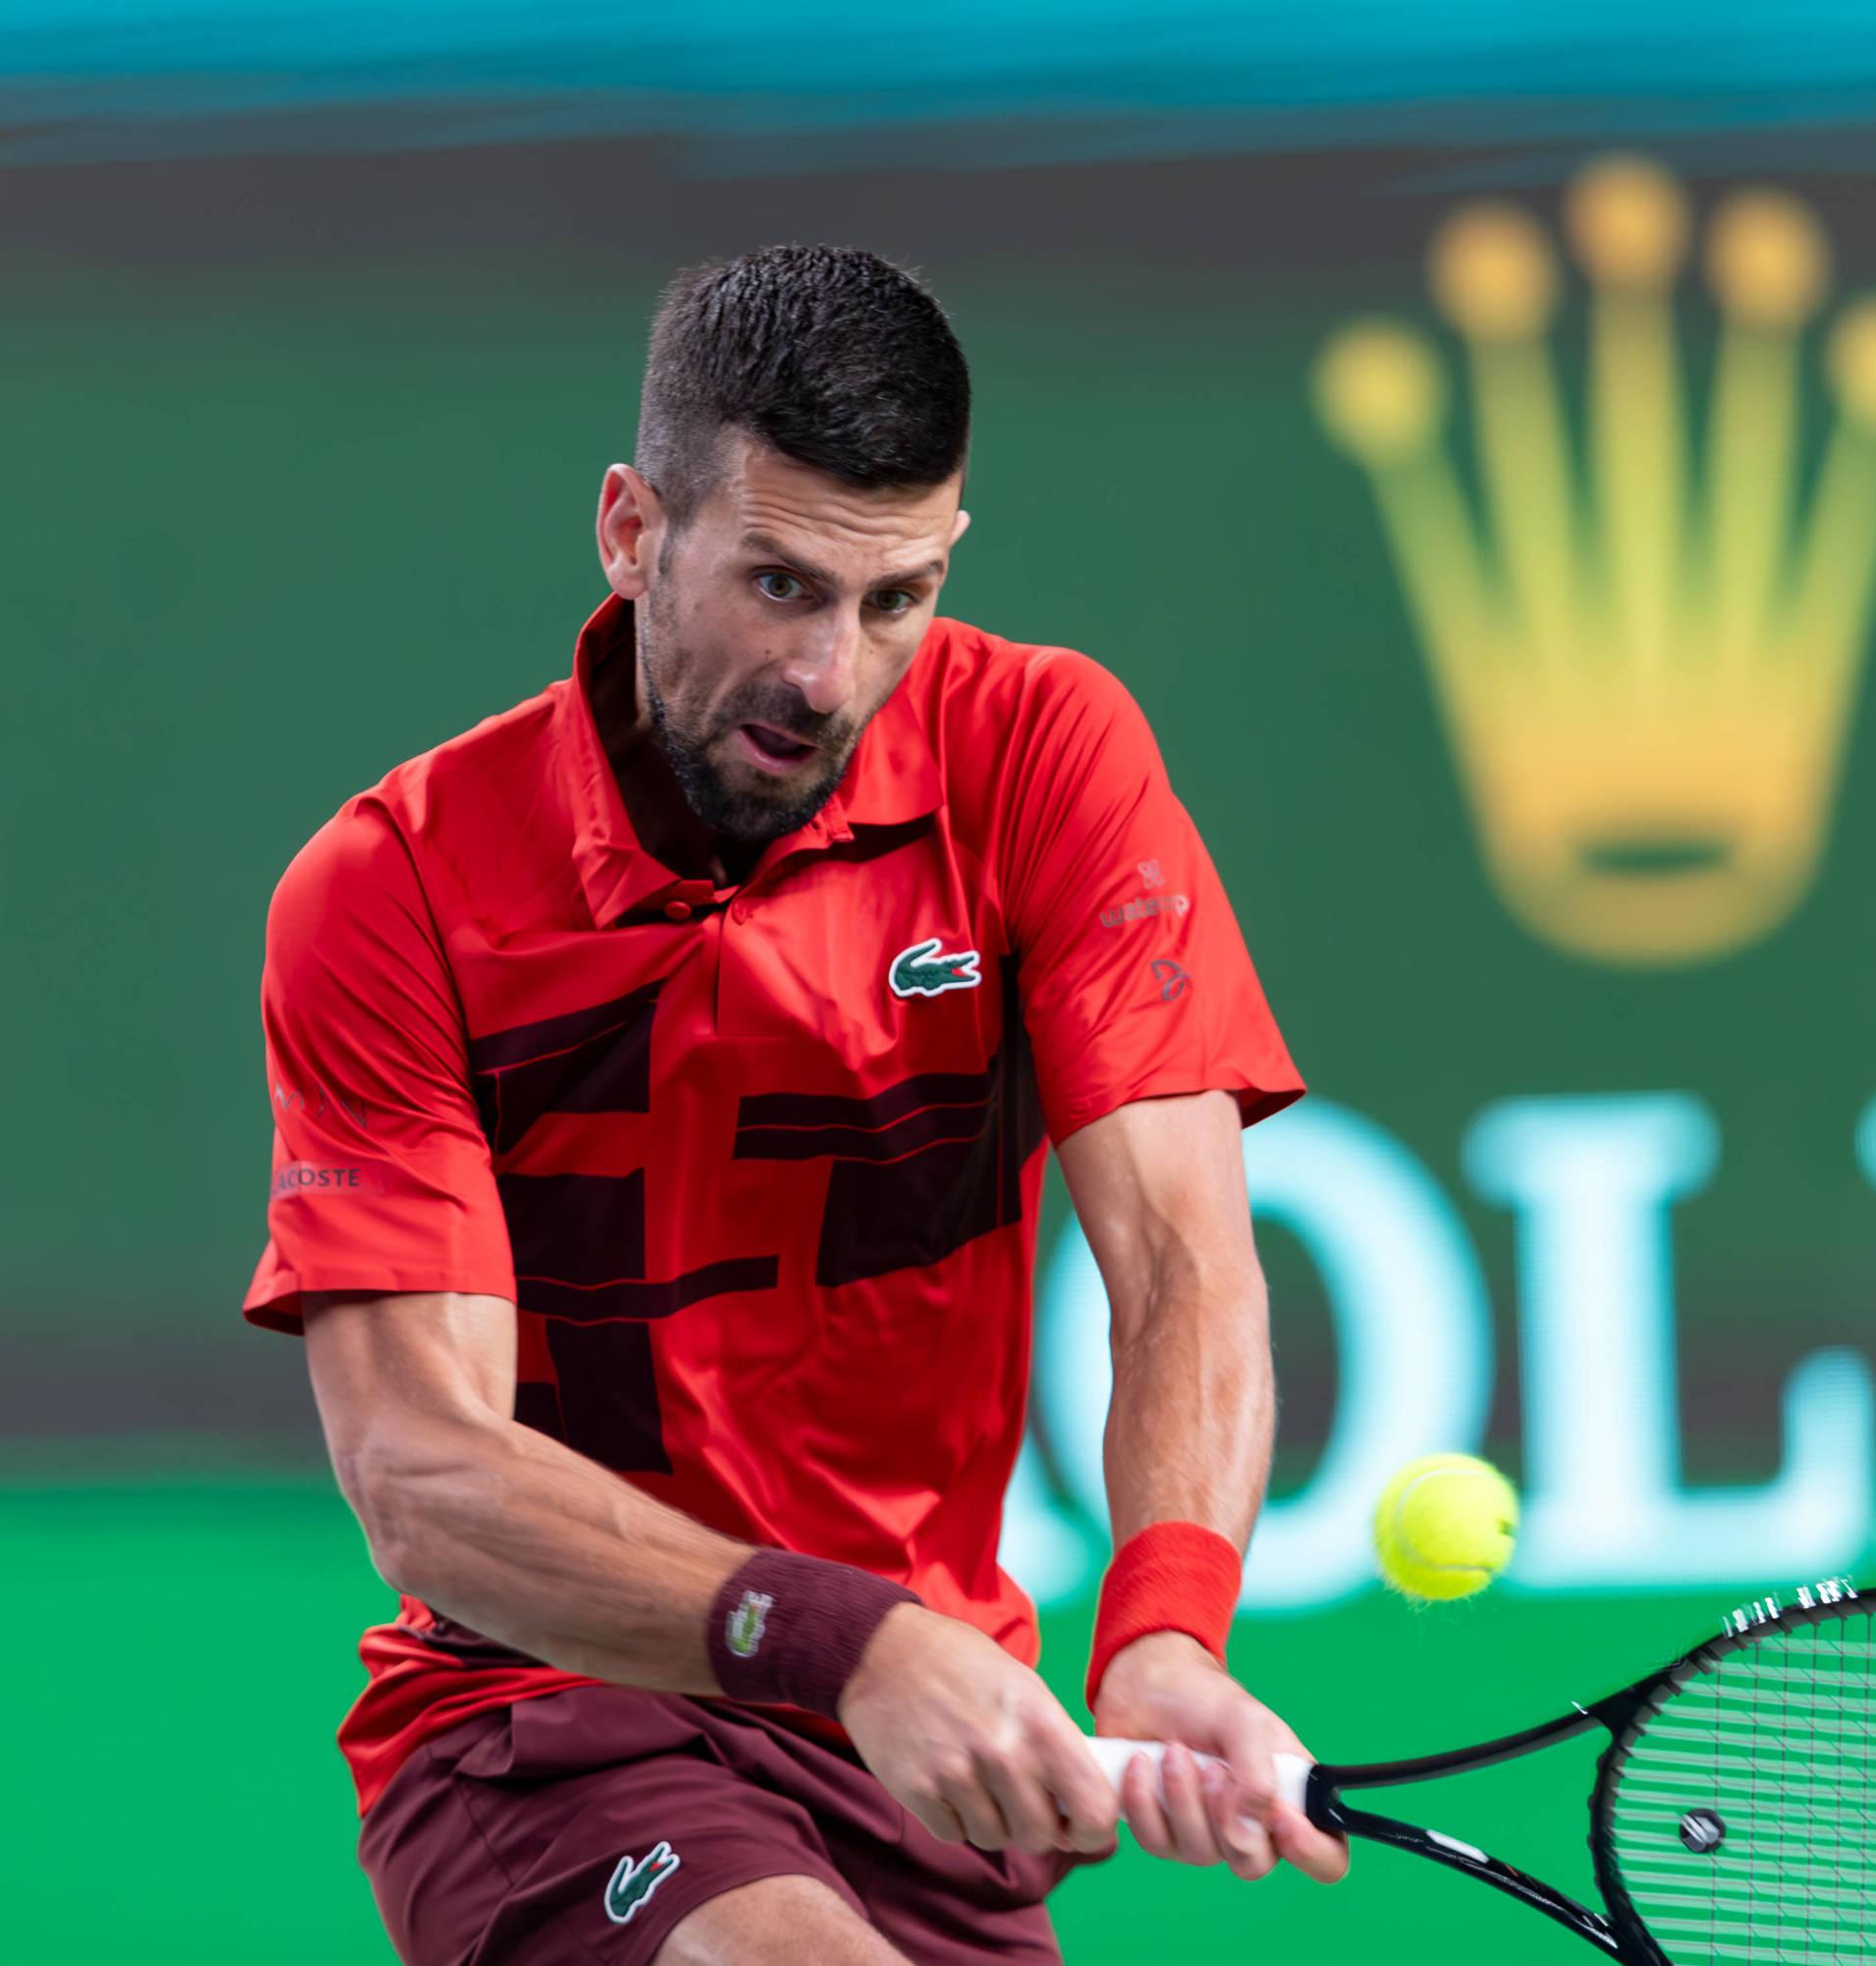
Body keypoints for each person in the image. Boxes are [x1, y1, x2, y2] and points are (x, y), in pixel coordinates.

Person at [242, 243, 1345, 1965]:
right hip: (556, 1715)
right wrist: (843, 1639)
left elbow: (1182, 1265)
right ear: (630, 530)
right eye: (777, 584)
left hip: (928, 1765)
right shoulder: (395, 891)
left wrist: (1166, 1639)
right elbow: (423, 1475)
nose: (829, 675)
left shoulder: (1044, 753)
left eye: (893, 598)